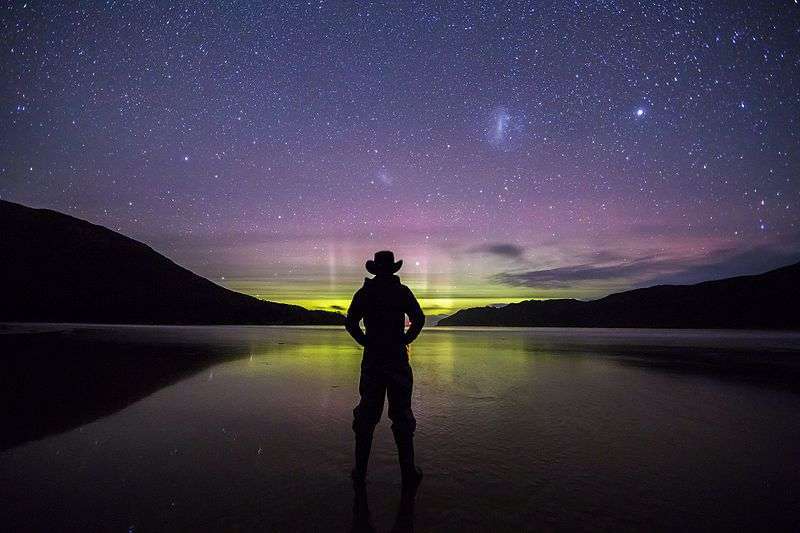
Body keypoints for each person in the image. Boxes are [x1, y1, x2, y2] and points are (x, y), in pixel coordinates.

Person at [345, 250, 425, 492]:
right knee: (401, 414)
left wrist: (365, 341)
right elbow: (419, 319)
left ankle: (360, 472)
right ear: (391, 269)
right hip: (396, 358)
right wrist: (405, 339)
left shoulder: (365, 293)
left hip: (373, 359)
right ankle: (408, 472)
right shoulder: (401, 292)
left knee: (367, 415)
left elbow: (350, 322)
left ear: (376, 269)